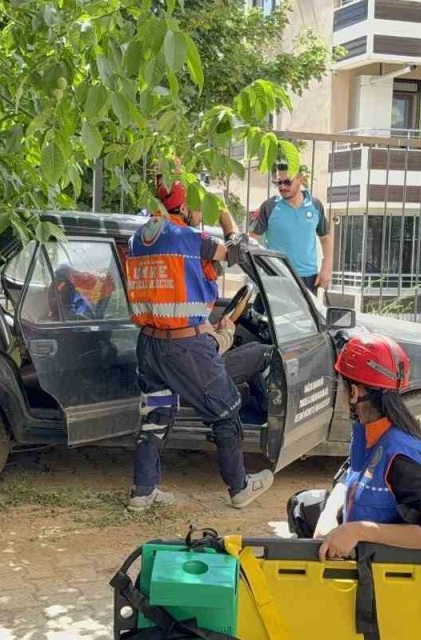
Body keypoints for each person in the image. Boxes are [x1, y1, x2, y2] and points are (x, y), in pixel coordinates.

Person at [124, 175, 274, 512]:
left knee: (155, 416)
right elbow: (238, 251)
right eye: (196, 206)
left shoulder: (138, 239)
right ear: (183, 206)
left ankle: (142, 492)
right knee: (226, 410)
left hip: (148, 345)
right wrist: (223, 212)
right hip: (185, 348)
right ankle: (239, 487)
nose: (199, 213)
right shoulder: (189, 238)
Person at [285, 334, 421, 560]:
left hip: (383, 566)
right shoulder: (370, 433)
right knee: (303, 504)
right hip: (359, 537)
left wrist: (357, 531)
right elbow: (350, 475)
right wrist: (329, 514)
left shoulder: (400, 456)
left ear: (353, 393)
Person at [249, 162, 333, 295]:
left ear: (301, 180)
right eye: (279, 182)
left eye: (287, 182)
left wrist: (326, 269)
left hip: (308, 278)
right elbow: (251, 239)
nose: (282, 186)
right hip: (277, 276)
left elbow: (325, 238)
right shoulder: (269, 207)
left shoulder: (315, 205)